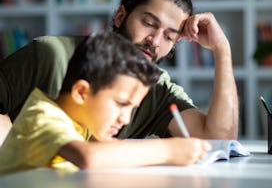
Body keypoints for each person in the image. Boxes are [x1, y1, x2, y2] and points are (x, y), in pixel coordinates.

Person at [0, 0, 238, 143]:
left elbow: (219, 138)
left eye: (168, 36)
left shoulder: (156, 90)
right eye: (149, 24)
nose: (155, 41)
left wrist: (222, 49)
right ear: (121, 15)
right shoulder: (49, 55)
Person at [0, 32, 211, 174]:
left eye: (132, 108)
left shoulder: (79, 124)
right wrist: (170, 150)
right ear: (81, 92)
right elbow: (88, 158)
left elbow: (108, 148)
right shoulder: (42, 116)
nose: (126, 118)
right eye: (121, 104)